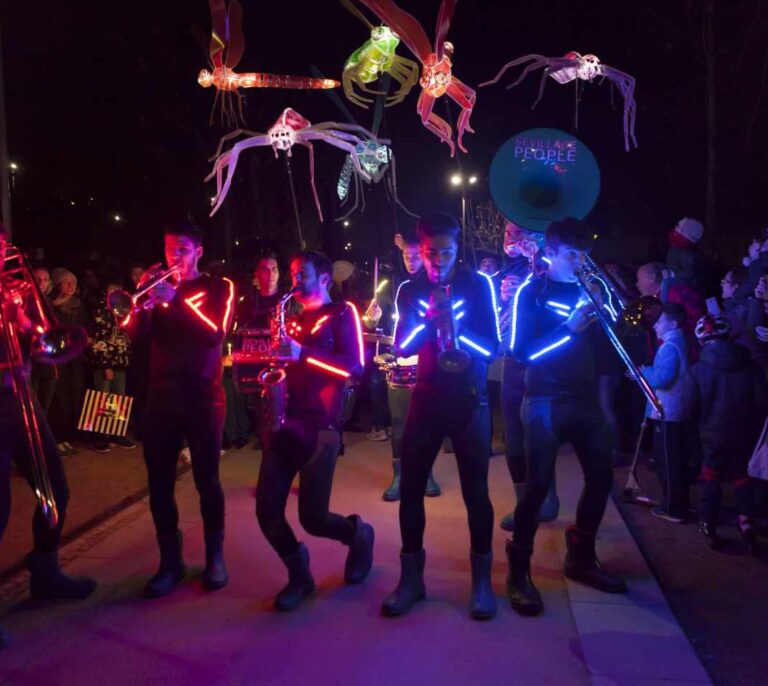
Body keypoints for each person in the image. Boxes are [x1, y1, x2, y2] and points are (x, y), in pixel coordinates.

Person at [381, 213, 499, 620]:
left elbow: (493, 348)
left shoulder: (476, 284)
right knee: (411, 491)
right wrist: (428, 324)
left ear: (456, 248)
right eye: (430, 254)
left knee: (476, 494)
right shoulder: (409, 289)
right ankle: (411, 579)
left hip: (470, 400)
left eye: (445, 252)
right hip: (427, 400)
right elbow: (402, 347)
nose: (437, 261)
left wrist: (457, 329)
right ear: (421, 251)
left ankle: (481, 582)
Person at [506, 218, 626, 618]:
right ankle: (519, 570)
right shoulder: (533, 292)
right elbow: (522, 352)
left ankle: (581, 556)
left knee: (601, 480)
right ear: (551, 252)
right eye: (573, 253)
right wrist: (570, 329)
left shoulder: (591, 289)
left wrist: (606, 305)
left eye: (585, 253)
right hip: (545, 399)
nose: (581, 261)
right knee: (537, 488)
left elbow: (620, 337)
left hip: (585, 399)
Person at [255, 250, 373, 612]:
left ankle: (358, 534)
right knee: (266, 511)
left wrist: (302, 353)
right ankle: (299, 575)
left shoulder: (342, 313)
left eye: (301, 273)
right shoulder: (291, 320)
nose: (295, 280)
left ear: (324, 278)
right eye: (292, 273)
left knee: (313, 518)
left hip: (321, 425)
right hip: (284, 422)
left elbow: (354, 368)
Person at [0, 225, 96, 649]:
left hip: (19, 394)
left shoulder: (12, 287)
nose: (3, 253)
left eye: (3, 245)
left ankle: (46, 571)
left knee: (55, 487)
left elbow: (39, 333)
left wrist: (26, 323)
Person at [126, 220, 234, 597]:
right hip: (161, 396)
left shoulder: (219, 288)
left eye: (183, 249)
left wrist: (175, 299)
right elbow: (133, 335)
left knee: (208, 481)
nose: (175, 256)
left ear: (199, 251)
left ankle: (215, 557)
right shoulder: (156, 292)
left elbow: (214, 333)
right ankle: (169, 561)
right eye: (170, 249)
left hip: (204, 397)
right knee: (159, 484)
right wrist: (139, 302)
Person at [684, 315, 768, 554]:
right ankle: (747, 524)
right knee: (742, 476)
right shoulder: (751, 366)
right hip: (745, 433)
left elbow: (690, 407)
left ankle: (708, 524)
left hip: (712, 434)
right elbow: (763, 402)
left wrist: (696, 429)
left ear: (702, 340)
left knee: (711, 477)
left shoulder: (696, 370)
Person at [367, 234, 440, 501]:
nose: (410, 261)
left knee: (427, 420)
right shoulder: (389, 284)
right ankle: (399, 475)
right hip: (397, 359)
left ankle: (427, 473)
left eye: (415, 256)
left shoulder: (433, 284)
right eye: (406, 256)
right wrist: (370, 319)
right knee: (399, 423)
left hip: (426, 360)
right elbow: (373, 325)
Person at [497, 220, 558, 531]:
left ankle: (546, 498)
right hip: (512, 359)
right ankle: (525, 501)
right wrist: (505, 298)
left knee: (537, 433)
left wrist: (537, 266)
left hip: (538, 363)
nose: (510, 239)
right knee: (513, 435)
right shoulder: (514, 268)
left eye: (516, 233)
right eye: (507, 233)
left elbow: (550, 311)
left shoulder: (548, 266)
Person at [638, 303, 690, 523]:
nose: (655, 326)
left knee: (667, 461)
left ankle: (673, 508)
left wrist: (642, 372)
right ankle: (679, 503)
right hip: (673, 410)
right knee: (674, 459)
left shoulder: (669, 346)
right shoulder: (677, 342)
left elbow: (662, 379)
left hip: (668, 411)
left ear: (673, 323)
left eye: (660, 321)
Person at [86, 277, 135, 452]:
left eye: (118, 289)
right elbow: (98, 338)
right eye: (111, 290)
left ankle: (116, 433)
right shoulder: (100, 309)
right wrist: (105, 364)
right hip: (104, 361)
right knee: (102, 398)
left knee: (118, 397)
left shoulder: (123, 310)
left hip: (120, 360)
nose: (115, 293)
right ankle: (98, 437)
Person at [48, 269, 90, 456]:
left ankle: (70, 436)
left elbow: (85, 327)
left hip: (76, 357)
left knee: (75, 392)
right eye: (66, 283)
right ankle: (58, 438)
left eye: (73, 283)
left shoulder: (79, 306)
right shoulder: (51, 306)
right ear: (57, 285)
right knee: (59, 396)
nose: (70, 286)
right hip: (59, 356)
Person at [29, 266, 58, 418]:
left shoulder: (48, 302)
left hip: (48, 360)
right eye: (38, 279)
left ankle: (42, 440)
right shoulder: (24, 300)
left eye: (45, 280)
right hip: (31, 360)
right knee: (31, 407)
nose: (41, 283)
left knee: (44, 409)